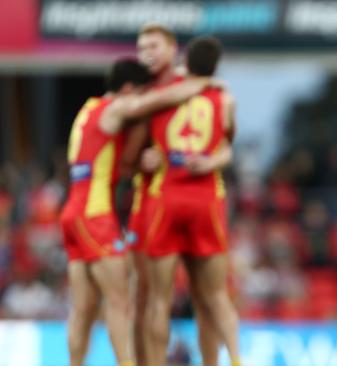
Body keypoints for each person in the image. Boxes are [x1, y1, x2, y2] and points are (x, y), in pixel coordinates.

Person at [60, 59, 212, 366]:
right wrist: (199, 84)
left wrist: (136, 164)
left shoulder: (88, 110)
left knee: (84, 308)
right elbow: (158, 100)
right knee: (120, 303)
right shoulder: (115, 108)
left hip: (73, 214)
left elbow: (104, 160)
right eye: (139, 93)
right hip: (95, 214)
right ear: (129, 89)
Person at [122, 23, 222, 366]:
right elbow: (124, 161)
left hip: (188, 203)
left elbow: (217, 142)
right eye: (140, 48)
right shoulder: (139, 93)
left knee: (205, 296)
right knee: (143, 297)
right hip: (146, 205)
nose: (145, 54)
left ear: (172, 49)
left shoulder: (199, 89)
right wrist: (139, 162)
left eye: (152, 47)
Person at [142, 36, 241, 366]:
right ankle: (236, 360)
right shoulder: (223, 98)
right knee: (214, 297)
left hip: (167, 196)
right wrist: (211, 162)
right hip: (207, 199)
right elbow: (227, 146)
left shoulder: (161, 94)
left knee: (159, 298)